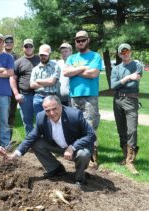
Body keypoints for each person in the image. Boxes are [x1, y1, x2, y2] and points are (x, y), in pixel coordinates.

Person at [5, 95, 95, 186]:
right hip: (58, 146)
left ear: (60, 106)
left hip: (77, 148)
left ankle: (80, 179)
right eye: (47, 110)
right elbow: (31, 137)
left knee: (83, 154)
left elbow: (91, 134)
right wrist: (15, 154)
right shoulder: (41, 117)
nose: (51, 113)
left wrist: (72, 147)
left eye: (54, 109)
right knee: (36, 142)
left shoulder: (74, 115)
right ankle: (56, 169)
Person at [63, 30, 103, 168]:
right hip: (74, 96)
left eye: (83, 40)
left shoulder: (95, 56)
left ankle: (92, 157)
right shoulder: (71, 57)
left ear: (88, 40)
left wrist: (76, 70)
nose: (80, 42)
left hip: (89, 96)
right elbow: (66, 72)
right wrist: (83, 68)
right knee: (75, 127)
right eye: (78, 40)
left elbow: (93, 74)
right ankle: (78, 154)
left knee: (90, 126)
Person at [111, 43, 143, 175]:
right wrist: (128, 77)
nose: (125, 53)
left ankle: (130, 161)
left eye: (127, 51)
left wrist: (122, 82)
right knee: (121, 130)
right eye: (122, 52)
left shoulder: (137, 65)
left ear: (131, 52)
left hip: (131, 100)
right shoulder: (116, 68)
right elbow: (113, 86)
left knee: (132, 130)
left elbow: (134, 83)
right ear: (119, 54)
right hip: (118, 100)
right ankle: (125, 157)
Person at [10, 39, 40, 136]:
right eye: (26, 46)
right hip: (25, 96)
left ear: (33, 48)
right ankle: (31, 143)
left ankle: (43, 142)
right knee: (27, 121)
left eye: (30, 46)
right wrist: (16, 94)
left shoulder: (40, 59)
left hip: (40, 95)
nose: (28, 48)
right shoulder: (18, 62)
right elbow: (12, 78)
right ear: (23, 48)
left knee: (42, 119)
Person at [0, 35, 18, 145]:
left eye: (10, 41)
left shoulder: (17, 57)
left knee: (10, 116)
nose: (8, 43)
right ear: (3, 43)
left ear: (13, 43)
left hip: (12, 91)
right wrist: (5, 72)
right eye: (6, 41)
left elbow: (15, 74)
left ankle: (7, 142)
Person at [30, 44, 60, 115]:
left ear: (49, 54)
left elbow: (52, 82)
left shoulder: (55, 66)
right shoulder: (35, 69)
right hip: (38, 97)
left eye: (45, 55)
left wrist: (38, 81)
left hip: (51, 96)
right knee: (40, 120)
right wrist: (47, 82)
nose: (43, 57)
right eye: (41, 55)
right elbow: (32, 85)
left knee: (53, 119)